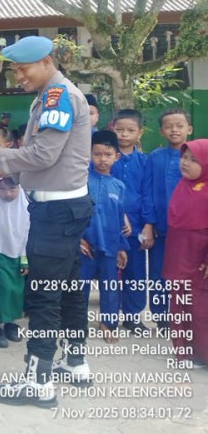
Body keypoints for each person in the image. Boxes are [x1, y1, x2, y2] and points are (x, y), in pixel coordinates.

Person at [0, 36, 92, 408]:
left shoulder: (58, 96)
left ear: (45, 61)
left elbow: (44, 154)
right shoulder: (49, 95)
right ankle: (75, 363)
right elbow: (50, 160)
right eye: (15, 71)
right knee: (71, 289)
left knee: (43, 296)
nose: (19, 77)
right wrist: (2, 171)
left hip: (55, 213)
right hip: (67, 205)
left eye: (23, 70)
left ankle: (37, 384)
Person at [144, 108, 192, 333]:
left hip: (190, 230)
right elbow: (148, 192)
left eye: (180, 125)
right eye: (169, 126)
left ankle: (186, 316)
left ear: (189, 129)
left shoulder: (198, 156)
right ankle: (162, 317)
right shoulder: (155, 157)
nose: (175, 129)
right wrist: (150, 223)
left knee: (187, 274)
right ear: (162, 131)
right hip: (162, 229)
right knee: (158, 273)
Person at [81, 131, 129, 343]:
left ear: (116, 156)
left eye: (108, 154)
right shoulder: (82, 181)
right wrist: (78, 239)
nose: (102, 159)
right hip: (85, 245)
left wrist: (121, 246)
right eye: (97, 154)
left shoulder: (118, 186)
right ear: (90, 155)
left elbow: (119, 218)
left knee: (110, 287)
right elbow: (74, 212)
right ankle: (76, 323)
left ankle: (108, 324)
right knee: (79, 286)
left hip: (109, 245)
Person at [163, 140, 208, 365]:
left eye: (194, 160)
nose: (186, 163)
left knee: (200, 308)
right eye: (184, 158)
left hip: (201, 259)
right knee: (179, 304)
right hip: (179, 255)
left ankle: (203, 353)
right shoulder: (183, 185)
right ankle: (184, 352)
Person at [110, 109, 154, 335]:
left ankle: (133, 317)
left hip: (136, 226)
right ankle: (109, 318)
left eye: (130, 130)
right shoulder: (106, 158)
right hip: (109, 225)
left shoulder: (145, 162)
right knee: (109, 272)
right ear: (112, 129)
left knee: (136, 273)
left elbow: (148, 194)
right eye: (119, 130)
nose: (124, 135)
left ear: (140, 133)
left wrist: (148, 224)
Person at [0, 177, 29, 348]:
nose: (7, 194)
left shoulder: (25, 207)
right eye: (2, 189)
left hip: (19, 255)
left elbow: (28, 235)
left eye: (12, 188)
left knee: (16, 290)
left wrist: (25, 260)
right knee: (0, 289)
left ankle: (11, 323)